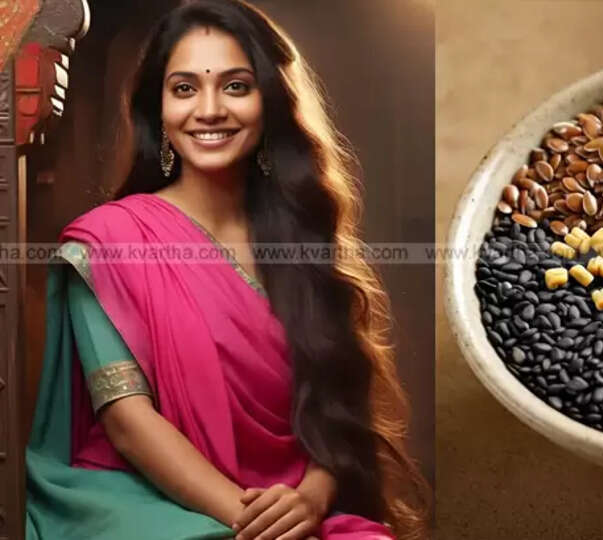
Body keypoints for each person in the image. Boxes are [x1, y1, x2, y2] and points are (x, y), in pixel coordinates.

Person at [25, 1, 429, 539]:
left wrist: (310, 499)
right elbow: (127, 421)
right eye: (185, 88)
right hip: (148, 502)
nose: (209, 109)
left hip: (291, 504)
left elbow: (333, 403)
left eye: (236, 86)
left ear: (271, 102)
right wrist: (249, 523)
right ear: (159, 110)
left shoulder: (301, 243)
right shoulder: (111, 240)